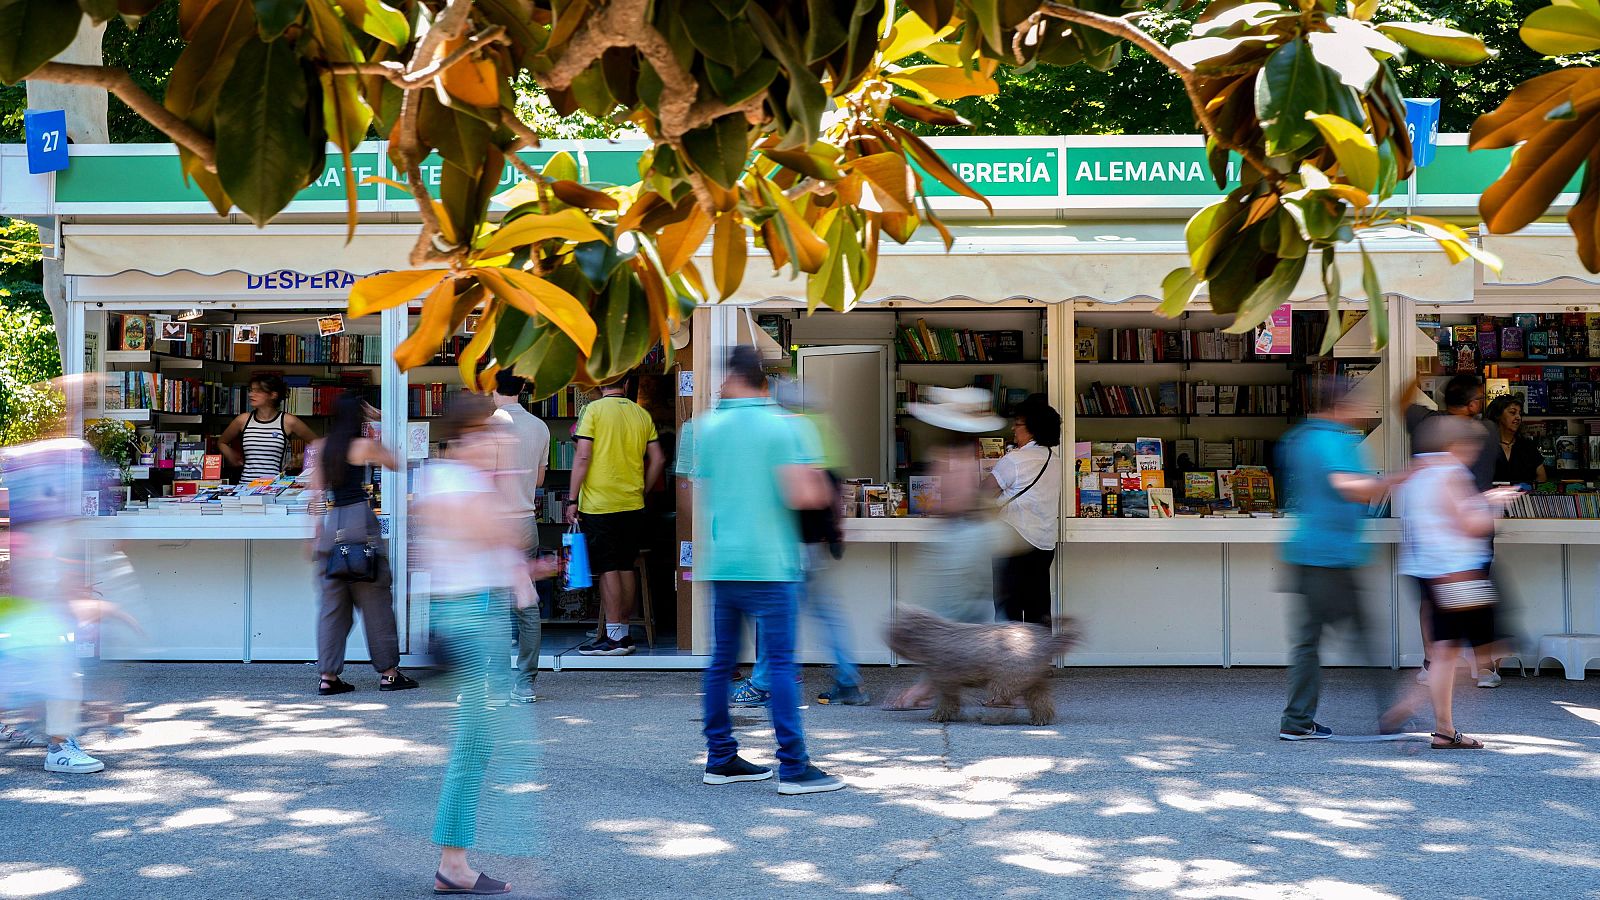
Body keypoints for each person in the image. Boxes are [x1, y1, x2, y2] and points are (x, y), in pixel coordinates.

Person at [417, 394, 558, 894]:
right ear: (469, 437)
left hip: (468, 613)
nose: (500, 440)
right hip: (475, 619)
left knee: (482, 740)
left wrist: (519, 570)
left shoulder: (437, 479)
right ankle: (454, 861)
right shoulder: (463, 484)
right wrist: (519, 567)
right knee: (478, 743)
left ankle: (457, 856)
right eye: (492, 432)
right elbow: (490, 538)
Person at [692, 346, 845, 795]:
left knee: (721, 662)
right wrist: (819, 480)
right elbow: (804, 497)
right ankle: (794, 767)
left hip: (722, 561)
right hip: (771, 561)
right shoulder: (785, 427)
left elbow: (696, 488)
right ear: (764, 381)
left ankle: (720, 757)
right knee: (779, 663)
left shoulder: (705, 428)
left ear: (731, 379)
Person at [729, 382, 867, 708]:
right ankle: (849, 680)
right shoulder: (822, 429)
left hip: (790, 543)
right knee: (823, 612)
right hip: (812, 543)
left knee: (774, 613)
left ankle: (764, 682)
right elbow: (835, 488)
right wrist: (835, 532)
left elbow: (795, 490)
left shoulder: (789, 430)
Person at [1386, 415, 1520, 750]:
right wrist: (1492, 504)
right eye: (1472, 446)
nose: (1474, 453)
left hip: (1430, 574)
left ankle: (1438, 722)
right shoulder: (1451, 473)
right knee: (1491, 649)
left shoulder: (1416, 475)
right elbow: (1469, 524)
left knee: (1446, 652)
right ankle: (1422, 709)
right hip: (1462, 574)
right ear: (1455, 445)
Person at [1275, 379, 1397, 741]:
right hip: (1332, 557)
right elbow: (1348, 487)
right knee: (1366, 639)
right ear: (1341, 405)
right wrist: (1399, 479)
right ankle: (1392, 718)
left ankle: (1297, 721)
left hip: (1307, 551)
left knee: (1308, 643)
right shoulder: (1332, 440)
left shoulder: (1299, 438)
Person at [883, 387, 1011, 712]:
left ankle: (929, 688)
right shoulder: (970, 453)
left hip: (957, 540)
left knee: (947, 621)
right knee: (974, 617)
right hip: (974, 537)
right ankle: (1005, 683)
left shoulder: (949, 456)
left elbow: (953, 501)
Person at [309, 393, 415, 696]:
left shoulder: (320, 447)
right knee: (375, 602)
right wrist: (380, 420)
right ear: (360, 416)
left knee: (332, 608)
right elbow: (398, 462)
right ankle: (389, 674)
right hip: (360, 523)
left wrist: (313, 536)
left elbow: (315, 495)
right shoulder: (364, 446)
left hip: (332, 528)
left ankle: (328, 676)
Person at [1397, 372, 1499, 684]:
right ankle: (1483, 668)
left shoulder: (1425, 424)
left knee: (1431, 599)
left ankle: (1432, 664)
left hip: (1427, 531)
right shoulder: (1488, 430)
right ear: (1472, 405)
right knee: (1476, 595)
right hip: (1470, 527)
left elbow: (1400, 401)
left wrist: (1419, 374)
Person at [565, 376, 665, 656]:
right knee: (625, 565)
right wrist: (643, 490)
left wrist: (572, 499)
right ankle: (624, 632)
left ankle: (614, 638)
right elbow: (658, 458)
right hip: (632, 502)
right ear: (628, 383)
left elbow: (583, 456)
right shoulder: (640, 413)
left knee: (608, 567)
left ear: (599, 384)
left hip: (600, 502)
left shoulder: (593, 411)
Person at [490, 371, 551, 703]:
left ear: (494, 390)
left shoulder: (488, 428)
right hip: (526, 522)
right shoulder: (539, 427)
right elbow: (540, 481)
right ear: (523, 390)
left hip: (495, 527)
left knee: (495, 607)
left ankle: (498, 681)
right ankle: (525, 681)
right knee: (526, 605)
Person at [990, 396, 1063, 624]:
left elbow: (984, 492)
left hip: (1013, 543)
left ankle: (1008, 659)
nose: (1013, 428)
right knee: (1037, 608)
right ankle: (1037, 658)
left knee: (1008, 609)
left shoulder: (1016, 460)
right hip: (1043, 544)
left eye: (1018, 423)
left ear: (1032, 428)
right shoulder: (1055, 460)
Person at [219, 373, 319, 482]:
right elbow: (222, 442)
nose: (251, 394)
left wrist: (300, 458)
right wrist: (229, 453)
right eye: (251, 390)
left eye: (258, 391)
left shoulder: (288, 421)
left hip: (276, 487)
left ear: (273, 395)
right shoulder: (242, 420)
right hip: (245, 488)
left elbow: (319, 443)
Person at [1485, 395, 1548, 486]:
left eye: (1520, 413)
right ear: (1497, 415)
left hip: (1524, 498)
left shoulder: (1527, 446)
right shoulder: (1485, 446)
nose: (1518, 417)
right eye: (1512, 413)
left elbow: (1542, 478)